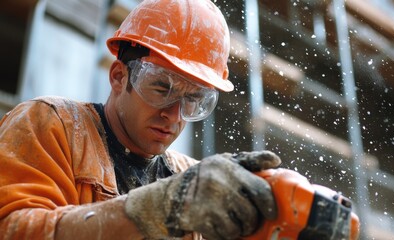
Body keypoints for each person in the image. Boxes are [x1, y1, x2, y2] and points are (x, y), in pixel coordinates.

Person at [0, 0, 281, 239]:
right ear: (120, 77)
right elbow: (13, 229)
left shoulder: (191, 179)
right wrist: (153, 208)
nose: (173, 114)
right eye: (161, 89)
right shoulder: (51, 125)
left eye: (193, 100)